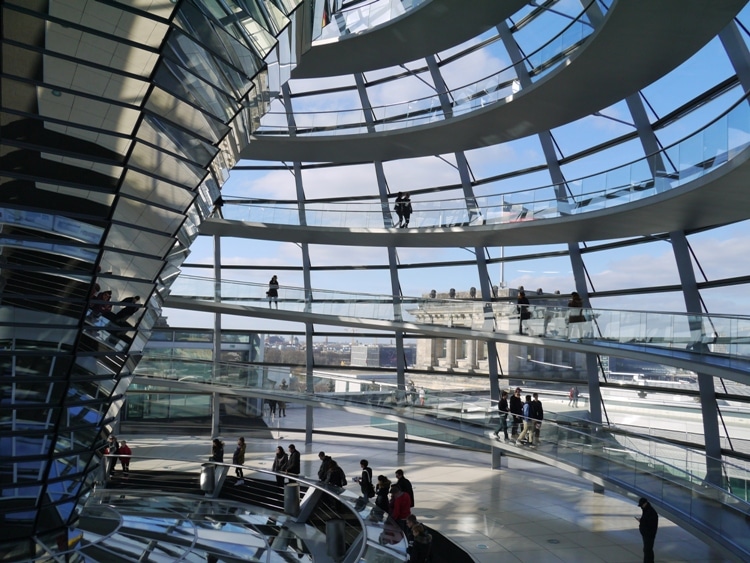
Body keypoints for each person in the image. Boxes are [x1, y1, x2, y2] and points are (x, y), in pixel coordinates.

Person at [637, 497, 658, 563]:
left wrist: (642, 521)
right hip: (646, 534)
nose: (641, 507)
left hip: (649, 534)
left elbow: (650, 523)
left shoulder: (651, 512)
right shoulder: (646, 510)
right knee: (647, 549)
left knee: (647, 549)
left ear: (645, 503)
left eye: (642, 505)